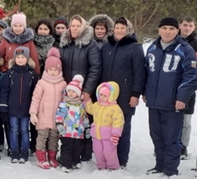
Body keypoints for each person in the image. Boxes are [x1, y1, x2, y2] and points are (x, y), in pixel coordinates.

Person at [144, 17, 197, 178]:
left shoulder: (185, 49)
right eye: (164, 28)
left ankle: (170, 170)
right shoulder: (152, 47)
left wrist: (182, 98)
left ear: (177, 30)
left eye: (171, 29)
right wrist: (145, 92)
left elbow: (190, 76)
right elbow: (146, 73)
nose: (167, 32)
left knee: (172, 138)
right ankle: (159, 165)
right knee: (156, 136)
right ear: (159, 29)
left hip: (173, 103)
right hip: (154, 102)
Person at [100, 17, 145, 168]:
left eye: (122, 28)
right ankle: (108, 156)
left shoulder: (135, 48)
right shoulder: (107, 46)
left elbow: (139, 73)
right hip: (107, 96)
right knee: (107, 127)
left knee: (122, 128)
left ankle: (122, 159)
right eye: (117, 27)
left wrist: (135, 94)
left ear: (128, 30)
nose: (119, 30)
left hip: (125, 96)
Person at [59, 14, 101, 162]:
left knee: (84, 122)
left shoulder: (90, 44)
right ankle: (68, 153)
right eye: (73, 25)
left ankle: (85, 153)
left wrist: (88, 90)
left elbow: (95, 68)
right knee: (68, 122)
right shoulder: (65, 43)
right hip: (68, 93)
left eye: (78, 25)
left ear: (83, 27)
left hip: (83, 91)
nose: (75, 28)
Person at [0, 46, 39, 164]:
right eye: (18, 57)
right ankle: (14, 151)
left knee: (24, 131)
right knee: (14, 130)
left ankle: (24, 151)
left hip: (26, 110)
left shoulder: (32, 74)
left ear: (27, 59)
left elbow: (36, 93)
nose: (20, 60)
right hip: (13, 109)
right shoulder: (10, 74)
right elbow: (4, 91)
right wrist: (3, 107)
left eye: (23, 57)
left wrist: (34, 109)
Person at [29, 47, 66, 169]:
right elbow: (36, 98)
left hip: (57, 118)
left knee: (54, 139)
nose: (53, 72)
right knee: (42, 138)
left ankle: (52, 157)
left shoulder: (63, 83)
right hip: (43, 117)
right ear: (46, 69)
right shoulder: (42, 83)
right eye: (50, 69)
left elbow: (66, 100)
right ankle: (41, 158)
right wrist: (33, 113)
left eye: (55, 69)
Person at [85, 82, 124, 171]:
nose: (102, 97)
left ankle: (113, 167)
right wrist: (87, 101)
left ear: (111, 96)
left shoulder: (115, 108)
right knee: (98, 151)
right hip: (96, 135)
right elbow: (90, 108)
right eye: (101, 95)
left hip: (109, 136)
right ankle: (101, 166)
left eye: (105, 96)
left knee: (109, 152)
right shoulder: (97, 105)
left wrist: (115, 134)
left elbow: (118, 121)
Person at [55, 75, 90, 173]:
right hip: (66, 131)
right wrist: (59, 124)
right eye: (69, 91)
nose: (70, 93)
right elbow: (59, 114)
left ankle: (75, 161)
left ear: (78, 93)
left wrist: (87, 128)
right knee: (67, 148)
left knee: (77, 148)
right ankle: (66, 164)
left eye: (74, 91)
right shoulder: (64, 103)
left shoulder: (80, 105)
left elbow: (84, 117)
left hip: (78, 133)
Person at [179, 16, 197, 160]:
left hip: (190, 87)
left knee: (186, 121)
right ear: (180, 26)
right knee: (172, 120)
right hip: (172, 87)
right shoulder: (173, 41)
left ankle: (183, 147)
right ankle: (170, 145)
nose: (187, 28)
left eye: (190, 26)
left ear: (194, 27)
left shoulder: (196, 44)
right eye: (185, 25)